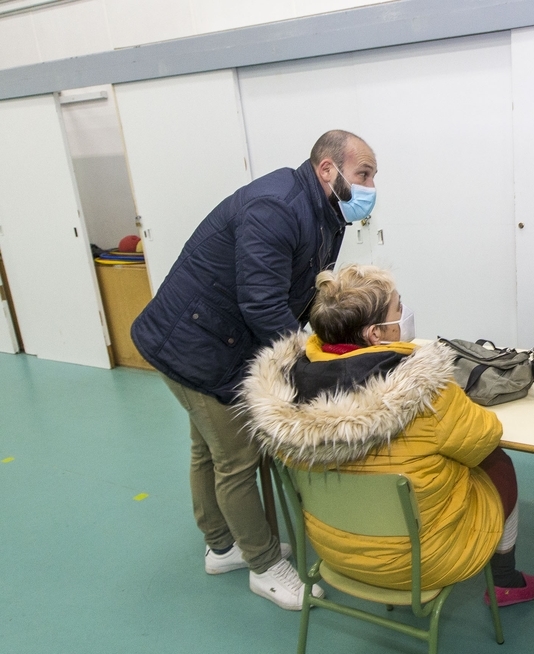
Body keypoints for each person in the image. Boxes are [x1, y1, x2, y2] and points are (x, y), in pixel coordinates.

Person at [131, 130, 378, 610]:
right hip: (194, 343)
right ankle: (264, 566)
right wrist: (303, 365)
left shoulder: (326, 213)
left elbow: (303, 290)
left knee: (208, 448)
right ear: (328, 169)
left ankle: (223, 547)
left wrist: (331, 335)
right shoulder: (277, 207)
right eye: (363, 173)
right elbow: (263, 304)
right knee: (237, 458)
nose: (370, 185)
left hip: (210, 336)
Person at [241, 265, 534, 606]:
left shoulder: (287, 399)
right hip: (422, 562)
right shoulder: (429, 394)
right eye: (398, 307)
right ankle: (505, 580)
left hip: (334, 553)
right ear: (375, 333)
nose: (405, 313)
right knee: (497, 463)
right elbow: (485, 437)